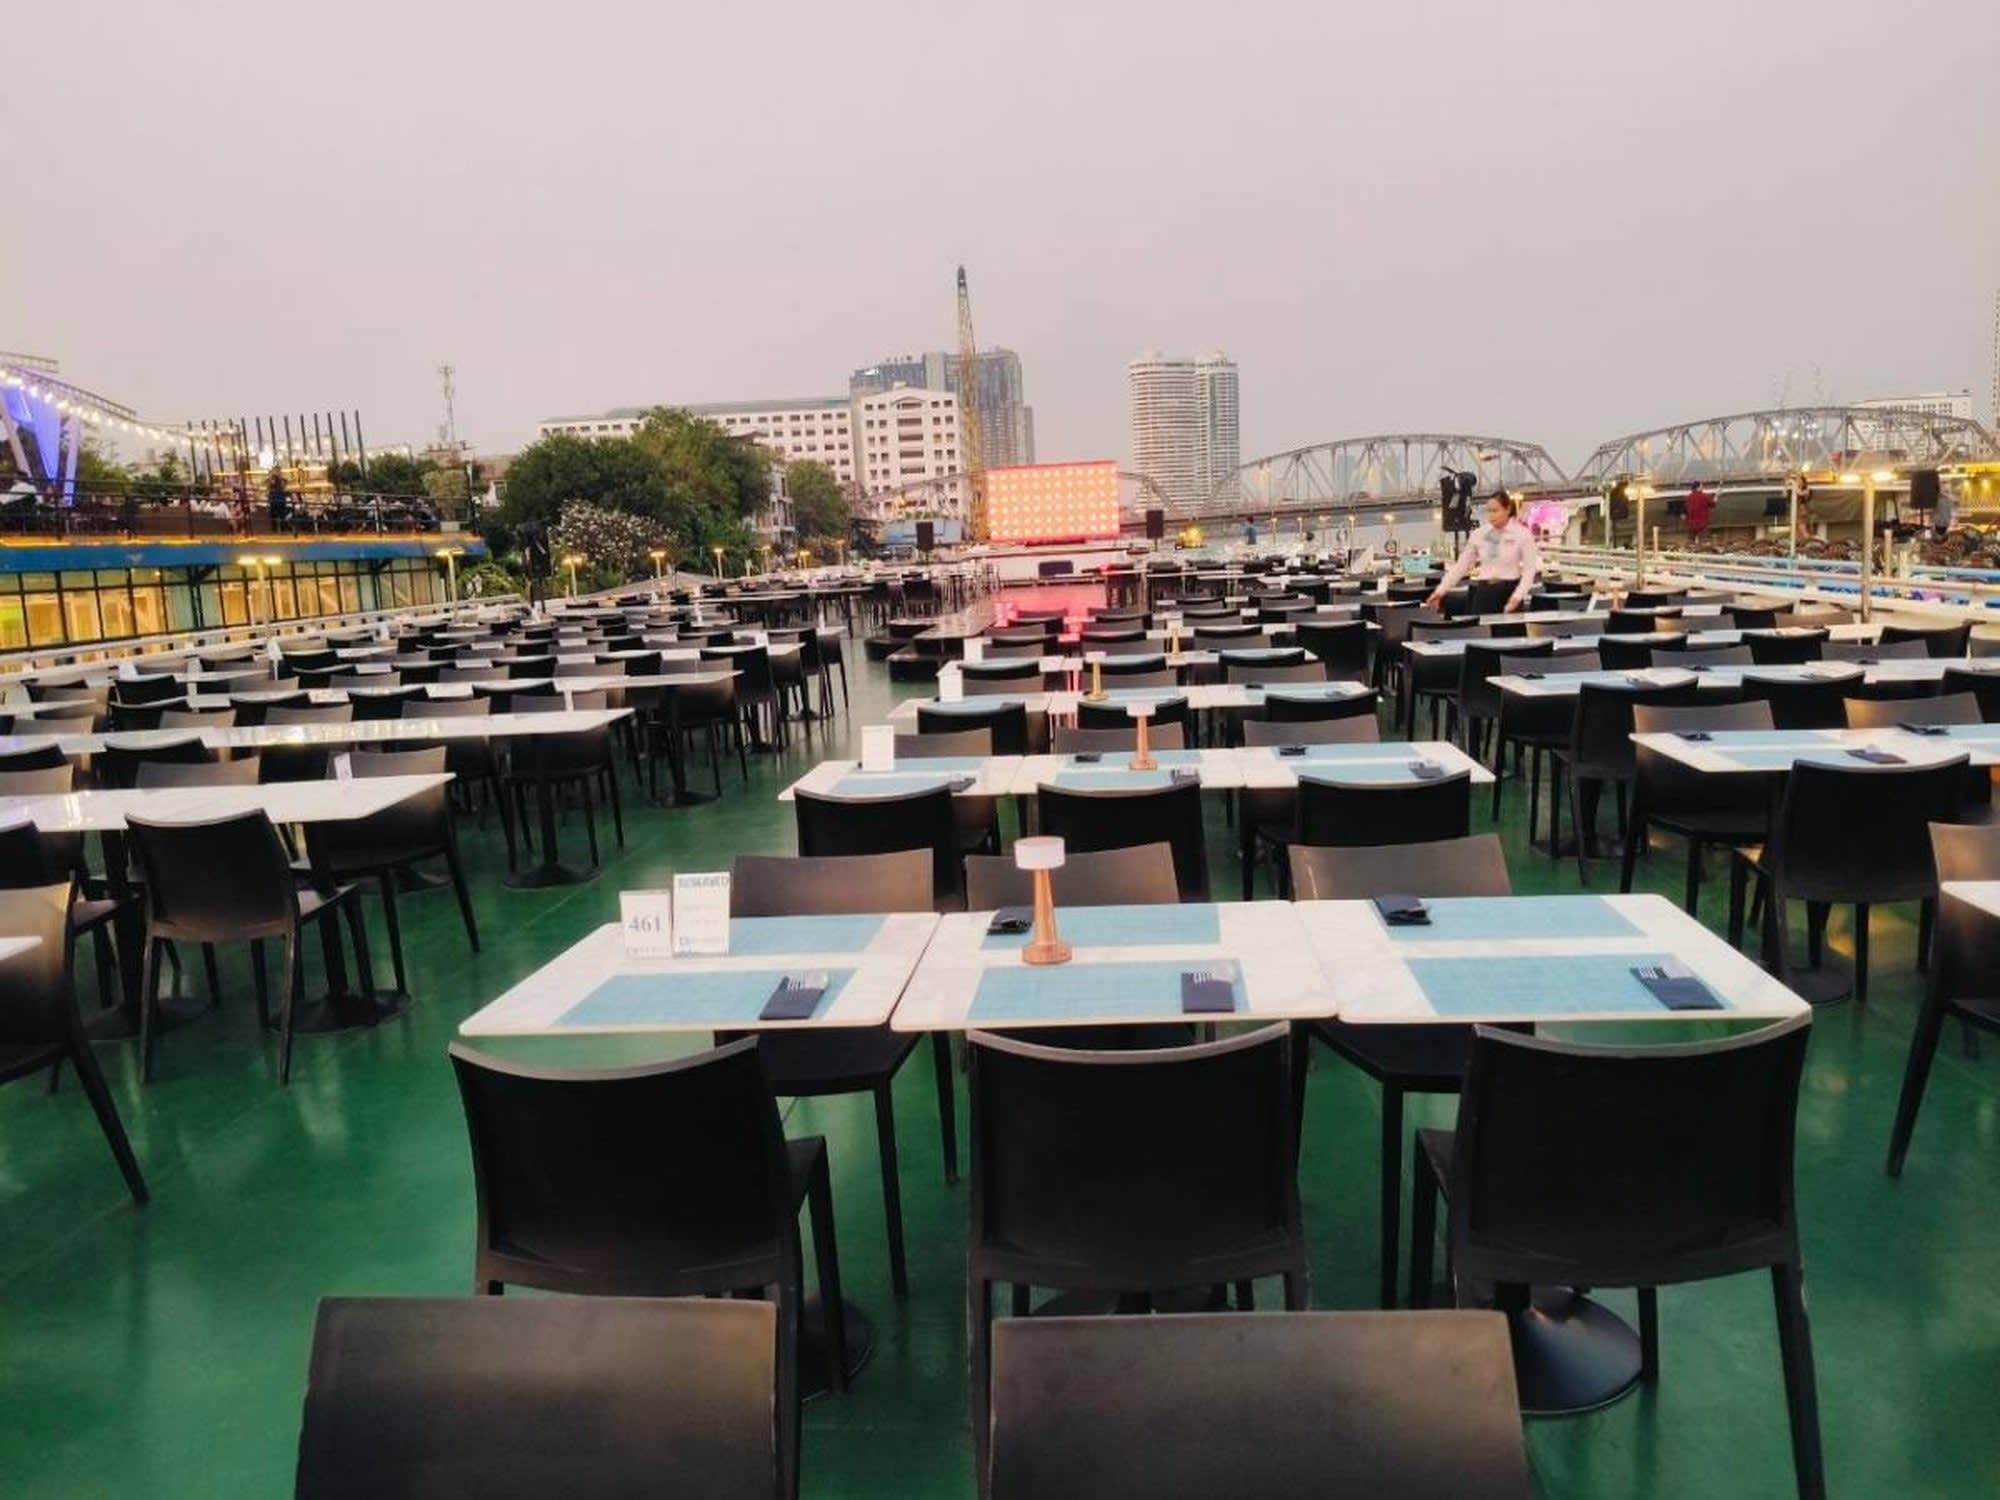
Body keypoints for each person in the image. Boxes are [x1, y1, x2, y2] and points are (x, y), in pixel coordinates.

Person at [1426, 490, 1542, 614]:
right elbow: (1461, 566)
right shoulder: (1480, 534)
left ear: (1507, 510)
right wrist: (1440, 591)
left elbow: (1529, 570)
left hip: (1510, 590)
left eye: (1495, 511)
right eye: (1489, 511)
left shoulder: (1522, 534)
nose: (1491, 515)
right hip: (1484, 591)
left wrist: (1517, 596)